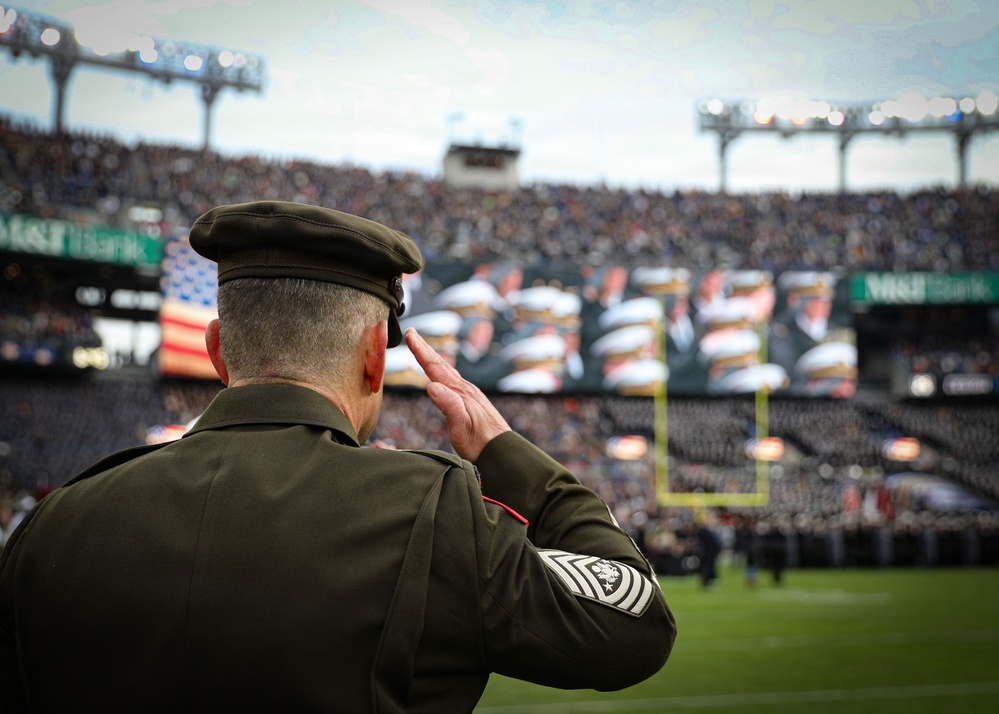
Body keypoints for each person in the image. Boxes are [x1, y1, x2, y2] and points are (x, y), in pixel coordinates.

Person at [0, 200, 676, 713]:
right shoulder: (426, 512)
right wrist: (508, 455)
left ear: (215, 349)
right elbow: (634, 624)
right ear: (374, 356)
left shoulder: (51, 528)